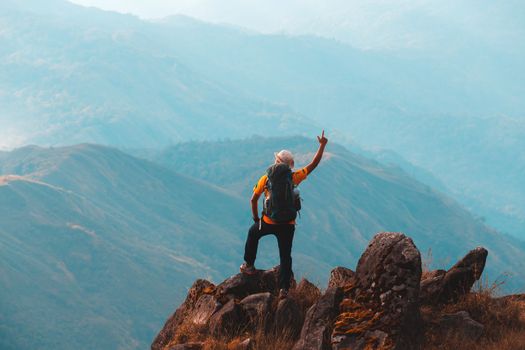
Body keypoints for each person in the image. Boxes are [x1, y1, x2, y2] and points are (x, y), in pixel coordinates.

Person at [240, 131, 328, 299]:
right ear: (290, 165)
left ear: (276, 161)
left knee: (253, 233)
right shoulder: (294, 177)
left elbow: (253, 200)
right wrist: (322, 145)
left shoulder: (265, 179)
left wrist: (257, 219)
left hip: (268, 221)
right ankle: (284, 290)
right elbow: (314, 164)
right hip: (287, 224)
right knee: (285, 255)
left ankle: (249, 266)